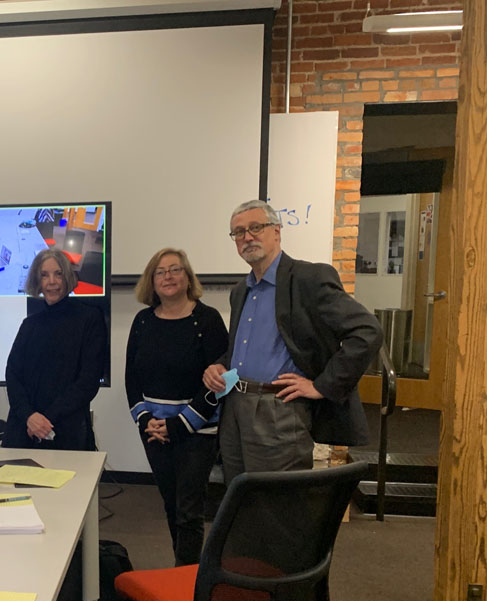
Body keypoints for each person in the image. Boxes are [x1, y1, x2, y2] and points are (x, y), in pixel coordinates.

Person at [203, 199, 383, 486]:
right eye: (238, 232)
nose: (247, 237)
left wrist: (322, 385)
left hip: (278, 409)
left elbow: (367, 331)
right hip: (234, 406)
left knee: (277, 507)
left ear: (277, 231)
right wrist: (219, 366)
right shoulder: (240, 291)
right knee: (238, 502)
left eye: (255, 227)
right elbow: (247, 348)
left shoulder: (308, 278)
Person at [125, 248, 228, 566]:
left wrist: (179, 425)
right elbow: (131, 378)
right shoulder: (142, 321)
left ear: (188, 277)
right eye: (160, 271)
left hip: (197, 432)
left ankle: (187, 584)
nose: (168, 276)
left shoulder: (207, 319)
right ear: (151, 281)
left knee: (188, 511)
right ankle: (181, 572)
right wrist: (146, 422)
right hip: (154, 431)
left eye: (175, 269)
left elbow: (228, 375)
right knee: (171, 506)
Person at [3, 249, 106, 451]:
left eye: (58, 274)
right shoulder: (29, 325)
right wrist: (29, 416)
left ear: (67, 277)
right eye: (44, 275)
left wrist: (47, 418)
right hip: (24, 429)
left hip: (67, 431)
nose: (52, 281)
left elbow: (88, 381)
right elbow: (13, 374)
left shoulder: (90, 319)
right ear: (37, 280)